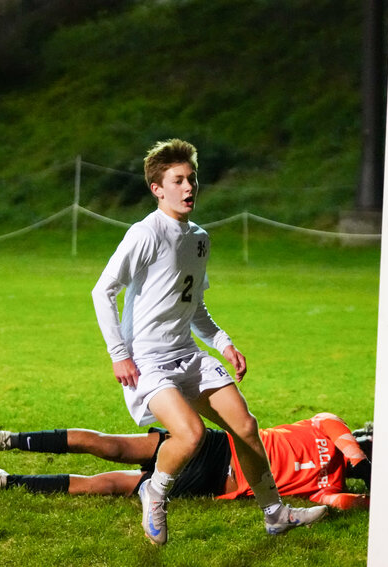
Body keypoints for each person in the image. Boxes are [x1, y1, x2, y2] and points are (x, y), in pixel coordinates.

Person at [88, 139, 327, 544]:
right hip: (148, 361)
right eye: (178, 180)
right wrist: (119, 354)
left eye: (192, 179)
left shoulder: (199, 238)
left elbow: (194, 305)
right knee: (191, 435)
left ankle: (275, 513)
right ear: (157, 188)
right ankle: (154, 492)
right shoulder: (144, 234)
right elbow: (103, 291)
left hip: (187, 355)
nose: (188, 188)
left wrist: (223, 342)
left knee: (246, 428)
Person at [0, 412, 373, 512]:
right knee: (110, 446)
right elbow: (327, 418)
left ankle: (4, 481)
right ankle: (9, 440)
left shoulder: (330, 486)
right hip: (215, 449)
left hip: (213, 484)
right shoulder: (327, 432)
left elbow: (338, 503)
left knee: (106, 484)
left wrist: (380, 499)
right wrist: (353, 452)